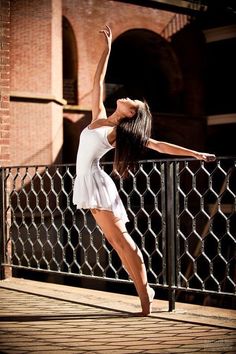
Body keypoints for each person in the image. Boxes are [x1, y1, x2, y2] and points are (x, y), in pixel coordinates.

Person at [73, 25, 216, 316]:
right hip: (89, 183)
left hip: (97, 186)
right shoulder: (99, 117)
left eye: (132, 103)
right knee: (116, 241)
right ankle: (145, 290)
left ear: (130, 114)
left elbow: (159, 145)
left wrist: (194, 153)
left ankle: (145, 297)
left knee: (122, 242)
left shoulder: (117, 132)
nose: (127, 98)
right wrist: (108, 49)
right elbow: (96, 80)